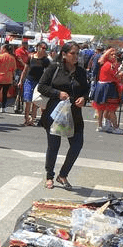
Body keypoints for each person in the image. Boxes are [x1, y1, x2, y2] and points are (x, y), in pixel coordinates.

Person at [37, 42, 89, 190]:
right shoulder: (54, 68)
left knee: (77, 144)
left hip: (75, 114)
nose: (76, 56)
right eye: (73, 53)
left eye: (77, 53)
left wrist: (84, 99)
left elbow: (86, 90)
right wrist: (57, 93)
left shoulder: (80, 71)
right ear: (64, 54)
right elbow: (41, 86)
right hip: (55, 113)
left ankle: (63, 175)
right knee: (54, 145)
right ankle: (49, 176)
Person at [92, 48, 123, 134]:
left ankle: (101, 126)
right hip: (108, 86)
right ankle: (115, 127)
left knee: (101, 108)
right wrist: (121, 74)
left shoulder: (106, 63)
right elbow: (115, 76)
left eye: (115, 55)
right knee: (111, 109)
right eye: (112, 54)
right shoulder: (109, 65)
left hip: (102, 86)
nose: (114, 56)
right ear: (107, 56)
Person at [18, 41, 50, 126]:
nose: (44, 50)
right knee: (27, 100)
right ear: (38, 47)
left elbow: (48, 72)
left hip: (39, 82)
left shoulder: (45, 60)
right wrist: (21, 80)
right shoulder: (31, 56)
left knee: (35, 101)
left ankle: (32, 119)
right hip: (29, 80)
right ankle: (26, 119)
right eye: (43, 48)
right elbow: (25, 70)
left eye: (45, 48)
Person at [0, 43, 16, 113]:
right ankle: (3, 108)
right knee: (5, 93)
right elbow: (14, 69)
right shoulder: (12, 58)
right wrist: (13, 78)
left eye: (1, 48)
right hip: (8, 78)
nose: (0, 50)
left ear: (4, 49)